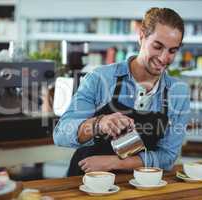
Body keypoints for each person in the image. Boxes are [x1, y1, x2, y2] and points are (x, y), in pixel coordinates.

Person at [53, 7, 190, 176]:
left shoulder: (178, 93)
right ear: (142, 36)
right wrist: (98, 124)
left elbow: (167, 157)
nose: (163, 58)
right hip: (89, 181)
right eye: (157, 46)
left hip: (140, 184)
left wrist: (113, 163)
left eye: (172, 51)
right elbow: (61, 133)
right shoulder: (100, 78)